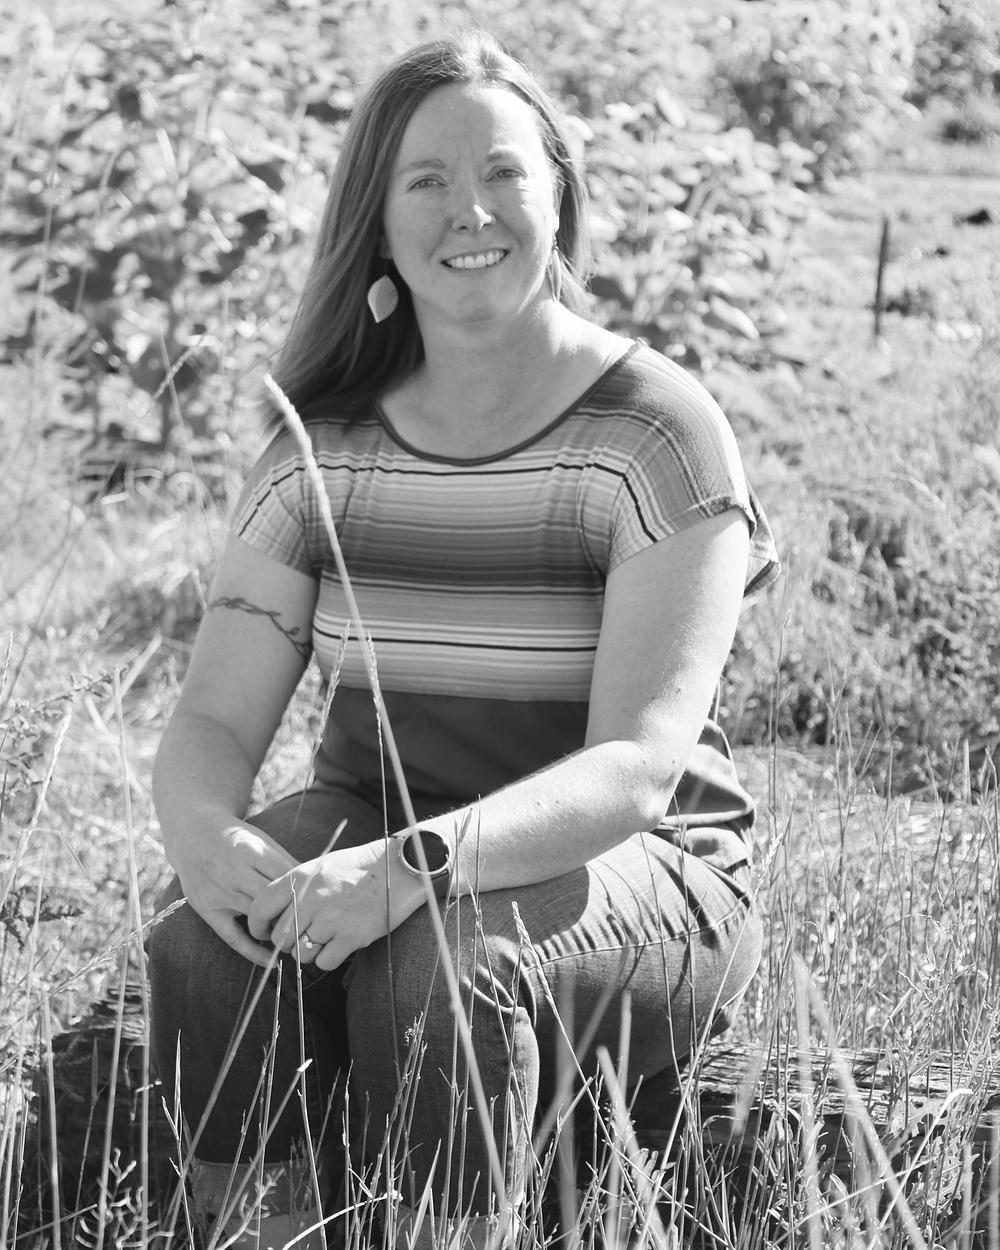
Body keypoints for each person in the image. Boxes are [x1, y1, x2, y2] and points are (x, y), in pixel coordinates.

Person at [148, 30, 780, 1250]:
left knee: (434, 966)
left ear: (559, 198)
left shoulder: (656, 430)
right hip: (379, 829)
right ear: (376, 225)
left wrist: (412, 864)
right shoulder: (323, 442)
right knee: (204, 944)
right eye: (426, 180)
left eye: (502, 173)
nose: (469, 210)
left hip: (640, 867)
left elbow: (637, 770)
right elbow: (214, 716)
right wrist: (204, 836)